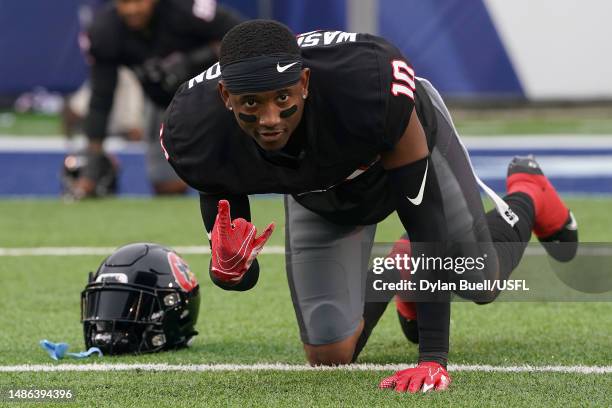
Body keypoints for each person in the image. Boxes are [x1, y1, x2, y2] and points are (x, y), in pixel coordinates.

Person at [161, 20, 579, 393]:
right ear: (225, 97)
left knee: (478, 281)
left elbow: (424, 216)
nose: (270, 118)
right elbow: (241, 273)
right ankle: (399, 268)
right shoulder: (196, 132)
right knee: (330, 355)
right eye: (251, 103)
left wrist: (433, 359)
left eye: (282, 97)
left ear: (304, 83)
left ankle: (530, 191)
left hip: (400, 155)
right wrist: (231, 270)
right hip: (320, 193)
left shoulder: (370, 89)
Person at [71, 0, 242, 198]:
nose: (132, 9)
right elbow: (101, 98)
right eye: (125, 2)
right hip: (167, 104)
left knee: (226, 179)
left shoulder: (185, 8)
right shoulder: (105, 31)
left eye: (138, 1)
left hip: (220, 98)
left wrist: (193, 61)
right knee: (167, 185)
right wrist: (93, 163)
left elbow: (244, 39)